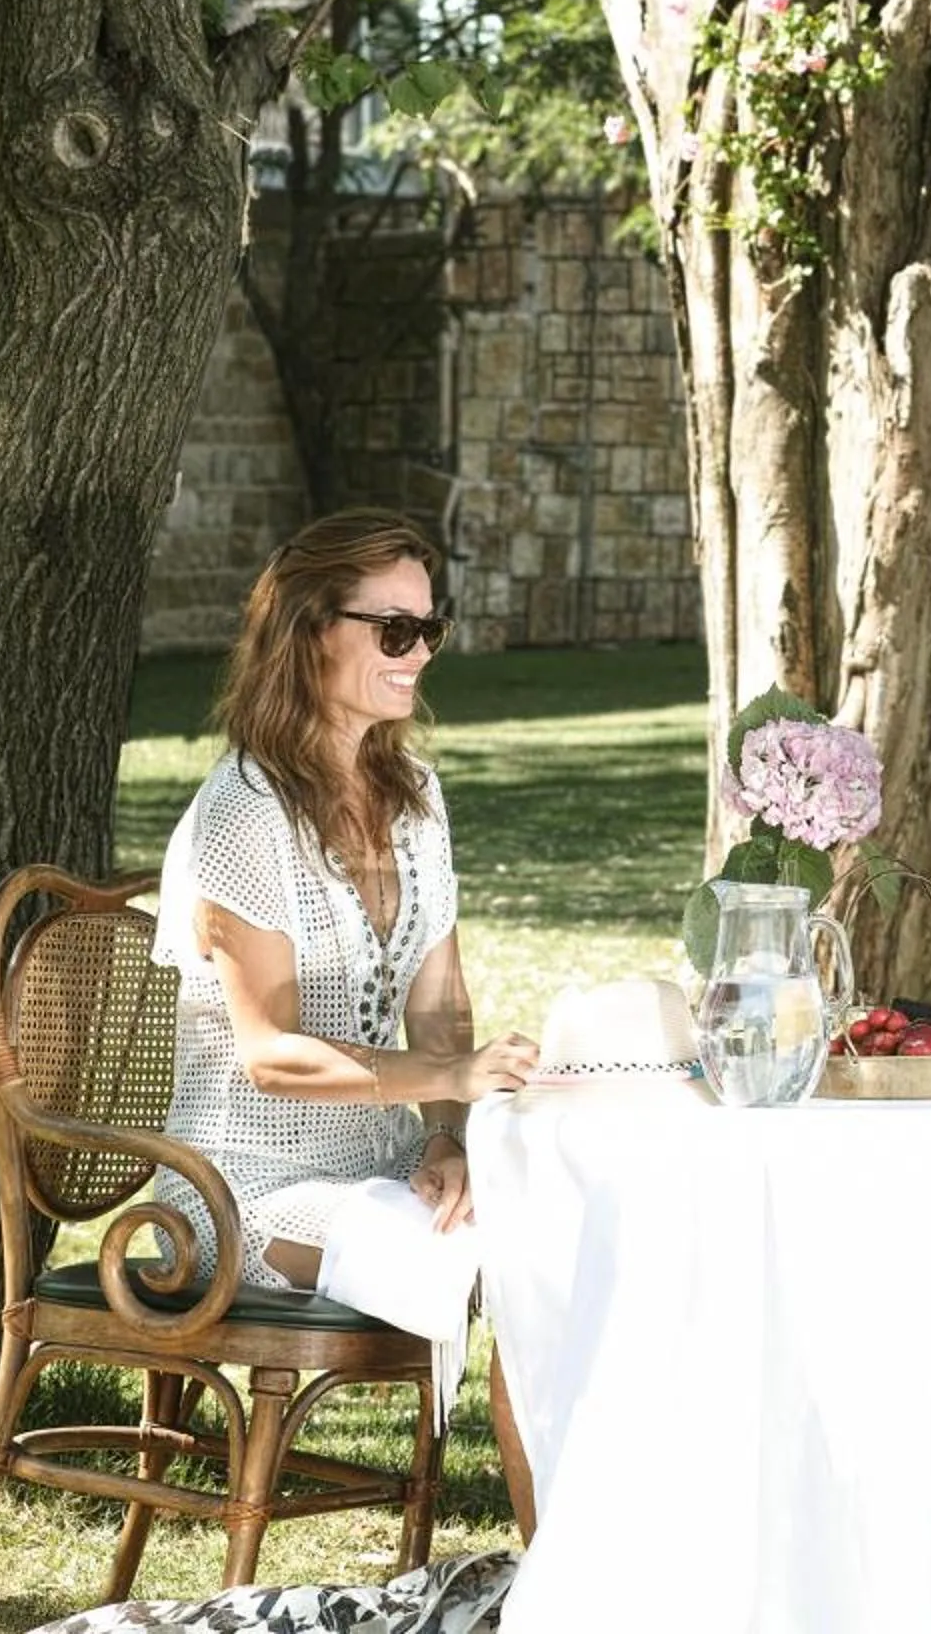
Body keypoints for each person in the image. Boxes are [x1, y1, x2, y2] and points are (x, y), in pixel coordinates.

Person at [152, 509, 536, 1294]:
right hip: (242, 1186)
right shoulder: (243, 811)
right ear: (311, 630)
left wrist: (444, 1142)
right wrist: (456, 1075)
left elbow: (438, 1006)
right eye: (396, 630)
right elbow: (270, 1055)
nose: (421, 652)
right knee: (467, 1260)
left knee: (558, 1227)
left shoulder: (416, 797)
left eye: (432, 628)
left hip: (381, 1162)